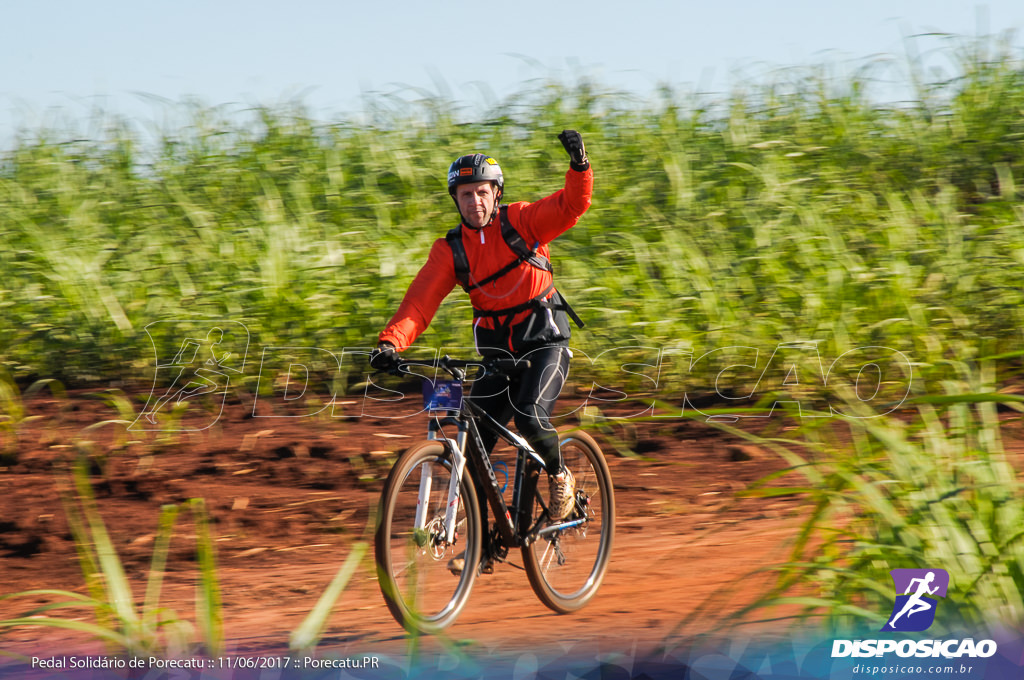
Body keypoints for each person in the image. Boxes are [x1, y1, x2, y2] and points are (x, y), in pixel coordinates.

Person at [369, 130, 593, 571]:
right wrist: (389, 343)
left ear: (497, 195)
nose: (475, 202)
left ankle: (560, 474)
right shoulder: (450, 250)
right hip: (497, 356)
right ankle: (490, 543)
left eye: (483, 193)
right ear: (456, 199)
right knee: (474, 448)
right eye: (466, 194)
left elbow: (570, 207)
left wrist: (579, 167)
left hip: (544, 343)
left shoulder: (523, 222)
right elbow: (420, 302)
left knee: (529, 413)